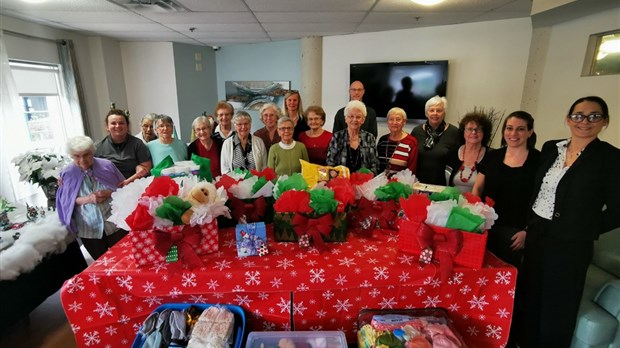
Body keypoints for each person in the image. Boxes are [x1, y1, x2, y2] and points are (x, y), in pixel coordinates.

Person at [520, 96, 620, 347]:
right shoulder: (552, 147)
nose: (584, 121)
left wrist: (586, 228)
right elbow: (539, 189)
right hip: (538, 233)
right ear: (568, 119)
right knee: (531, 294)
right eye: (578, 115)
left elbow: (618, 208)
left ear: (605, 121)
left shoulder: (610, 157)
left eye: (594, 116)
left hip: (572, 243)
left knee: (559, 303)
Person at [57, 136, 126, 260]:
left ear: (92, 152)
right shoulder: (67, 173)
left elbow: (125, 189)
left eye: (86, 154)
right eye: (77, 156)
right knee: (102, 264)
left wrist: (109, 193)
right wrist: (88, 199)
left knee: (124, 259)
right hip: (89, 229)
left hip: (115, 224)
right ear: (71, 156)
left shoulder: (107, 165)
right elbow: (66, 202)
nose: (82, 160)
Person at [94, 108, 152, 186]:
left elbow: (146, 168)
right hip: (108, 187)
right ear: (107, 127)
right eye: (113, 123)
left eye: (121, 123)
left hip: (135, 185)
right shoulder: (98, 147)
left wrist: (127, 182)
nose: (117, 126)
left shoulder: (137, 144)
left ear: (127, 126)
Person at [410, 96, 460, 185]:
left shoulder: (454, 132)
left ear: (444, 113)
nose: (435, 113)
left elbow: (458, 161)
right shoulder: (416, 131)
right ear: (426, 113)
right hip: (417, 183)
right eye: (431, 110)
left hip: (443, 185)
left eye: (439, 110)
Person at [326, 100, 379, 174]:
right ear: (346, 119)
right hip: (341, 181)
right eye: (351, 116)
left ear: (363, 120)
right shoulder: (337, 137)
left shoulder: (369, 138)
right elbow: (330, 164)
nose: (354, 120)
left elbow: (374, 165)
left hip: (364, 182)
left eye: (358, 117)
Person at [447, 111, 492, 192]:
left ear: (484, 133)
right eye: (470, 129)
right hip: (452, 202)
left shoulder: (491, 156)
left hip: (478, 203)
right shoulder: (452, 153)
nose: (473, 132)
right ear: (463, 132)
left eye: (478, 129)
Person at [376, 107, 418, 176]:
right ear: (387, 122)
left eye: (398, 119)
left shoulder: (411, 142)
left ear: (404, 122)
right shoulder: (382, 140)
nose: (394, 122)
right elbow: (376, 164)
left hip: (401, 184)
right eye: (391, 119)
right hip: (381, 183)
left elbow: (411, 170)